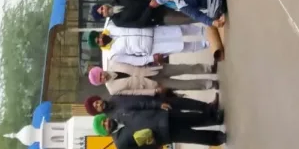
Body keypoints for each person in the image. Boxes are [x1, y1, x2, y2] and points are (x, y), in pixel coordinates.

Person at [93, 107, 226, 149]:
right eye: (104, 126)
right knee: (192, 136)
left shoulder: (120, 112)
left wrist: (157, 105)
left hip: (162, 116)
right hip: (163, 134)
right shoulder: (120, 143)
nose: (106, 123)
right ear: (106, 132)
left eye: (104, 121)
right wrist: (153, 145)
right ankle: (217, 138)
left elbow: (140, 105)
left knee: (191, 117)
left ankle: (214, 118)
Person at [87, 54, 217, 93]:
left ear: (100, 70)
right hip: (152, 84)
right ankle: (210, 84)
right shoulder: (112, 89)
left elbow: (134, 58)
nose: (103, 77)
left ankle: (208, 68)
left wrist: (151, 59)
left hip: (152, 68)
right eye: (100, 79)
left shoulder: (113, 61)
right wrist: (153, 91)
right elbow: (133, 93)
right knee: (184, 85)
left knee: (183, 68)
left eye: (100, 74)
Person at [84, 92, 222, 121]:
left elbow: (137, 98)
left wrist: (157, 102)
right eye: (96, 107)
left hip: (155, 101)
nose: (98, 104)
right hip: (156, 116)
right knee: (187, 117)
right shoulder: (114, 118)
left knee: (183, 102)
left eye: (96, 102)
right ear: (98, 112)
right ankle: (211, 116)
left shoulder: (114, 97)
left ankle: (208, 108)